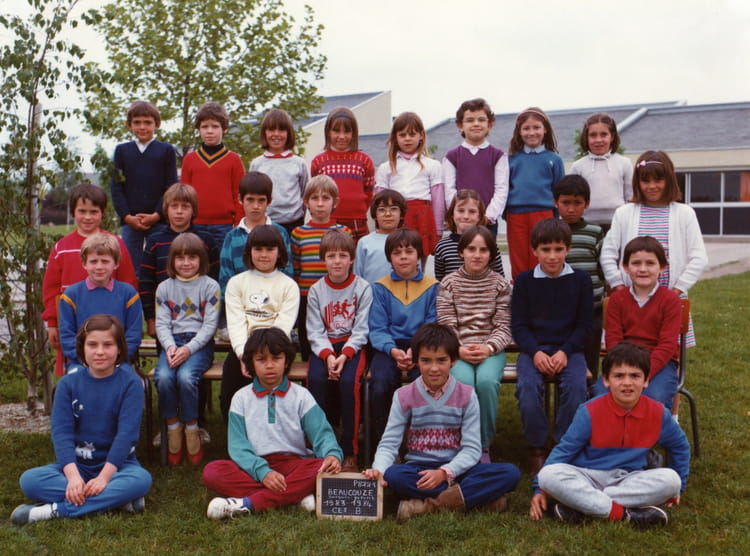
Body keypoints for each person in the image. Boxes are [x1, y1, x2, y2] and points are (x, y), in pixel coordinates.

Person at [363, 323, 520, 522]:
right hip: (419, 469)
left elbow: (472, 449)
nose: (434, 368)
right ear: (416, 361)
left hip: (458, 468)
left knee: (510, 473)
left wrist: (445, 473)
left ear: (453, 361)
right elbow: (389, 443)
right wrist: (379, 469)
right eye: (426, 361)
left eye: (442, 360)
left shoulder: (467, 395)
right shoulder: (403, 395)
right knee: (394, 475)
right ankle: (473, 499)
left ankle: (427, 506)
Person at [529, 342, 690, 528]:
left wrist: (678, 488)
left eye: (635, 376)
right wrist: (539, 490)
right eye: (619, 376)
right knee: (548, 475)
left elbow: (680, 445)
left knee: (672, 481)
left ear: (646, 380)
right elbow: (564, 451)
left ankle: (582, 505)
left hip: (629, 479)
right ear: (606, 380)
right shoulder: (589, 411)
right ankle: (626, 515)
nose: (627, 383)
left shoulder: (658, 413)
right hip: (588, 476)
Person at [12, 314, 152, 525]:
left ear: (119, 348)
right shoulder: (67, 384)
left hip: (118, 467)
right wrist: (73, 477)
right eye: (92, 345)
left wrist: (104, 478)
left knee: (141, 480)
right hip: (78, 465)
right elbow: (62, 433)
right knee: (30, 481)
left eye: (108, 345)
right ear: (82, 348)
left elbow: (127, 435)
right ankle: (116, 501)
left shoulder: (131, 383)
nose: (100, 351)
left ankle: (53, 510)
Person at [202, 328, 342, 519]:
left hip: (293, 464)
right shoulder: (241, 399)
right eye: (261, 359)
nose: (269, 365)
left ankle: (246, 503)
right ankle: (294, 494)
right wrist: (263, 473)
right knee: (212, 472)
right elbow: (238, 446)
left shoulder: (301, 396)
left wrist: (331, 454)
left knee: (319, 467)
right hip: (253, 466)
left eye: (276, 358)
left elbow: (322, 433)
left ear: (287, 361)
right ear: (251, 363)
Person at [601, 150, 707, 350]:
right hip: (632, 299)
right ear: (637, 182)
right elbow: (608, 253)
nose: (651, 186)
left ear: (669, 180)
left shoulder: (685, 214)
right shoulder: (624, 213)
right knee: (628, 352)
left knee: (667, 350)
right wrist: (619, 286)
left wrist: (677, 290)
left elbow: (699, 257)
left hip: (670, 299)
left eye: (658, 180)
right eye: (645, 180)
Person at [511, 218, 592, 475]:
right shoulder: (524, 281)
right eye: (545, 249)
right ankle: (536, 446)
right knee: (527, 388)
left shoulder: (581, 280)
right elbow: (519, 326)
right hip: (534, 349)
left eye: (558, 249)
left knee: (577, 387)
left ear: (568, 249)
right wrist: (535, 352)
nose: (552, 256)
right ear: (534, 250)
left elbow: (584, 325)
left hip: (569, 349)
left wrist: (565, 352)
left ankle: (561, 445)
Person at [42, 183, 137, 376]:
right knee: (77, 377)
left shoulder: (116, 244)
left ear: (102, 213)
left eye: (93, 212)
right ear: (73, 212)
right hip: (75, 325)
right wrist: (52, 323)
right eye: (82, 211)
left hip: (111, 331)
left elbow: (128, 283)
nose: (87, 217)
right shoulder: (61, 248)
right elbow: (51, 289)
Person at [437, 226, 512, 462]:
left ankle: (482, 444)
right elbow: (446, 322)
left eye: (483, 250)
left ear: (491, 254)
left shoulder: (500, 285)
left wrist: (488, 348)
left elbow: (503, 325)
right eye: (471, 249)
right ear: (461, 252)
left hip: (491, 350)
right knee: (464, 383)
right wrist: (458, 349)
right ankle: (461, 440)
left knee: (487, 383)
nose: (477, 255)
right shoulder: (449, 283)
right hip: (458, 350)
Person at [306, 229, 372, 472]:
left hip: (351, 346)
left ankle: (350, 450)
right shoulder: (316, 290)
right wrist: (328, 356)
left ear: (352, 259)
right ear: (323, 259)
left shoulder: (362, 287)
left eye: (343, 256)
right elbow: (315, 331)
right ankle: (319, 446)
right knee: (315, 380)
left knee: (349, 384)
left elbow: (361, 328)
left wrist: (344, 355)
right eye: (331, 256)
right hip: (325, 346)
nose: (337, 261)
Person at [368, 229, 439, 451]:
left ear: (419, 255)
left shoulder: (432, 287)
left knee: (427, 381)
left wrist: (416, 351)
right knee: (380, 383)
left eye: (409, 251)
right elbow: (377, 327)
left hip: (423, 347)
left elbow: (432, 324)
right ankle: (384, 441)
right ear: (389, 257)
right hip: (389, 348)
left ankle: (421, 440)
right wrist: (392, 350)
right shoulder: (380, 287)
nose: (404, 257)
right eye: (397, 253)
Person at [154, 233, 221, 466]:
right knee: (163, 377)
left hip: (198, 344)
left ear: (201, 259)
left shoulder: (210, 286)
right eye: (180, 258)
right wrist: (171, 346)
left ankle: (192, 428)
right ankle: (173, 427)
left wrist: (189, 349)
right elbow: (162, 324)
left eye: (192, 257)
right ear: (172, 260)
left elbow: (210, 326)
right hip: (172, 342)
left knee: (185, 377)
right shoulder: (164, 288)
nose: (186, 263)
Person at [220, 225, 300, 421]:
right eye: (258, 249)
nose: (264, 255)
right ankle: (237, 429)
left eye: (270, 249)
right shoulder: (236, 283)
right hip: (244, 350)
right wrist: (243, 355)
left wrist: (265, 356)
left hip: (276, 349)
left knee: (272, 383)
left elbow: (283, 325)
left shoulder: (289, 286)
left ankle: (275, 430)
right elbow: (236, 322)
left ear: (279, 252)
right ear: (249, 252)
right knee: (232, 379)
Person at [593, 237, 682, 409]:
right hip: (622, 362)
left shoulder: (671, 300)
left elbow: (667, 345)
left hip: (659, 364)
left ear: (662, 267)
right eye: (636, 263)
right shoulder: (617, 299)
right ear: (626, 267)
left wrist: (643, 374)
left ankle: (651, 427)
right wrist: (626, 371)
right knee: (600, 393)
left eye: (650, 263)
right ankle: (613, 428)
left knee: (654, 397)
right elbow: (613, 339)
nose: (642, 269)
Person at [139, 183, 219, 339]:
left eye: (185, 206)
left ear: (193, 210)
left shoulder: (206, 240)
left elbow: (215, 278)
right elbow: (146, 283)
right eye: (174, 206)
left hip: (199, 322)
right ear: (166, 209)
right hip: (165, 321)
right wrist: (151, 319)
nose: (179, 211)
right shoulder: (155, 241)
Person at [58, 234, 142, 373]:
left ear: (116, 263)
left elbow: (133, 335)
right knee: (73, 380)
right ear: (84, 263)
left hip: (118, 363)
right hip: (81, 364)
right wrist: (87, 360)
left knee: (131, 381)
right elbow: (67, 337)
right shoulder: (71, 296)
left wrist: (115, 359)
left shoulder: (128, 294)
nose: (99, 267)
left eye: (105, 261)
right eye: (93, 261)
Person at [110, 100, 178, 270]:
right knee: (130, 268)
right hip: (130, 222)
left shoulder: (166, 150)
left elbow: (171, 187)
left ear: (157, 124)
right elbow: (116, 187)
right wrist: (127, 216)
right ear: (128, 124)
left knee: (162, 265)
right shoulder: (122, 151)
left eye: (147, 122)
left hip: (159, 221)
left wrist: (157, 214)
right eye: (137, 122)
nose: (142, 127)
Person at [291, 175, 351, 360]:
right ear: (306, 202)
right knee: (308, 343)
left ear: (335, 202)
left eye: (325, 198)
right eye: (314, 198)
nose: (320, 204)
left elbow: (348, 268)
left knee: (335, 341)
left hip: (335, 297)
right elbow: (296, 268)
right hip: (306, 297)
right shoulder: (298, 233)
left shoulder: (344, 232)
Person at [375, 111, 444, 265]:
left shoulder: (433, 165)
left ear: (421, 136)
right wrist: (380, 227)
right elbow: (379, 201)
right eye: (402, 134)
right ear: (395, 138)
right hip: (395, 219)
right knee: (395, 261)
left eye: (412, 134)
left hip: (422, 219)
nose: (407, 138)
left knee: (419, 264)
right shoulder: (386, 168)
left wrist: (438, 229)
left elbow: (438, 199)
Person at [553, 175, 605, 376]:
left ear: (587, 203)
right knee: (561, 356)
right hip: (559, 310)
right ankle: (562, 390)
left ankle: (590, 390)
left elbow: (603, 267)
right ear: (555, 202)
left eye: (577, 203)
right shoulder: (550, 231)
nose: (571, 209)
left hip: (592, 309)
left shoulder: (595, 232)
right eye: (565, 203)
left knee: (590, 357)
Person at [506, 107, 565, 280]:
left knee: (541, 254)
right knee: (518, 256)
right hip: (515, 215)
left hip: (544, 214)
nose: (531, 132)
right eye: (526, 128)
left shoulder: (554, 159)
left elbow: (559, 191)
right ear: (519, 131)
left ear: (545, 129)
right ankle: (520, 289)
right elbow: (505, 188)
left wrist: (555, 218)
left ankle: (542, 289)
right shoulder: (511, 160)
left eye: (536, 127)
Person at [219, 171, 294, 299]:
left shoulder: (280, 233)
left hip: (274, 303)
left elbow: (287, 271)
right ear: (240, 199)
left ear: (269, 201)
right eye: (250, 199)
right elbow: (226, 276)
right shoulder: (232, 237)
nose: (256, 206)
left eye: (261, 200)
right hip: (240, 304)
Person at [180, 101, 245, 248]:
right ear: (198, 129)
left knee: (223, 262)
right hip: (195, 225)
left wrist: (238, 224)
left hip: (225, 226)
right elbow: (184, 195)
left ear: (224, 129)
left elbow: (239, 196)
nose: (209, 131)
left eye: (215, 126)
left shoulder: (234, 160)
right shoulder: (190, 159)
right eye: (205, 127)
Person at [442, 98, 509, 238]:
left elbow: (501, 189)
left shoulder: (498, 156)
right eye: (470, 120)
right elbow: (449, 190)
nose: (476, 124)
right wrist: (459, 213)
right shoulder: (452, 157)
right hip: (461, 222)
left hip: (487, 223)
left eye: (481, 120)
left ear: (489, 125)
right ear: (460, 125)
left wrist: (488, 216)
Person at [310, 106, 374, 241]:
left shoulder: (364, 160)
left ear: (354, 133)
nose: (342, 136)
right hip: (328, 222)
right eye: (336, 131)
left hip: (357, 222)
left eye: (347, 131)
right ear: (328, 132)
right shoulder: (318, 162)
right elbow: (315, 194)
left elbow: (368, 194)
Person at [569, 112, 633, 232]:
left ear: (612, 136)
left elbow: (630, 197)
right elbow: (572, 199)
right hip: (586, 225)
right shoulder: (578, 166)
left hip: (618, 223)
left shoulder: (624, 163)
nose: (598, 140)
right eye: (593, 135)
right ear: (586, 137)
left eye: (604, 134)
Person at [249, 109, 309, 234]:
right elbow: (252, 194)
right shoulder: (257, 164)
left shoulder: (299, 163)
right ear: (264, 133)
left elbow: (304, 193)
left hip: (294, 223)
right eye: (271, 130)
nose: (276, 134)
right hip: (265, 224)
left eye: (281, 130)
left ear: (289, 133)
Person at [434, 189, 505, 281]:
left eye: (472, 211)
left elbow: (500, 279)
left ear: (480, 216)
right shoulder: (442, 246)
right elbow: (440, 281)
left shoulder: (489, 244)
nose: (466, 216)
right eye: (461, 211)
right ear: (452, 214)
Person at [354, 189, 407, 285]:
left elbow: (416, 275)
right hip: (371, 293)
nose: (388, 214)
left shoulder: (409, 241)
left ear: (401, 214)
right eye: (382, 209)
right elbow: (357, 275)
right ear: (375, 215)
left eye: (393, 209)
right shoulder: (365, 242)